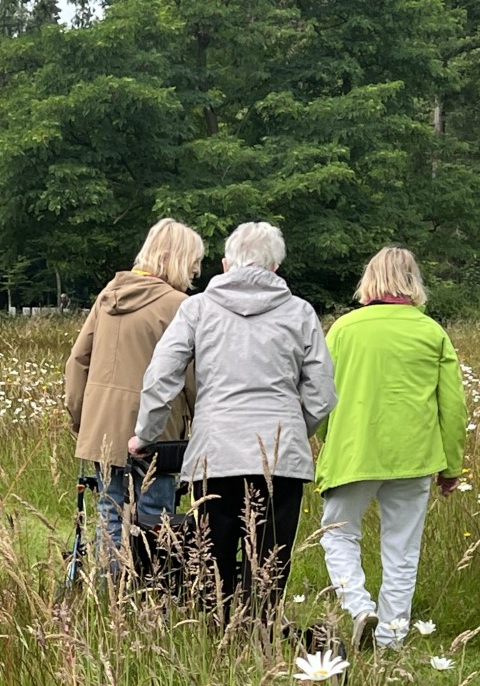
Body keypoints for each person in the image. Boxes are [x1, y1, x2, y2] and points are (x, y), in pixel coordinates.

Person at [131, 221, 336, 622]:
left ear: (225, 264)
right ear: (275, 268)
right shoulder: (300, 312)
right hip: (280, 459)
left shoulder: (197, 309)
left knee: (215, 565)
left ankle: (220, 645)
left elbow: (161, 376)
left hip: (215, 456)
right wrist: (295, 431)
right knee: (269, 566)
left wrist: (145, 434)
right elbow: (322, 395)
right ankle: (260, 641)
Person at [314, 247, 466, 649]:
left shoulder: (344, 329)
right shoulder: (431, 332)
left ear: (370, 279)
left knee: (337, 534)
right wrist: (451, 466)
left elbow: (323, 394)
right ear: (413, 281)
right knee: (402, 548)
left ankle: (358, 607)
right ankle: (392, 637)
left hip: (354, 450)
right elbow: (452, 406)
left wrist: (329, 437)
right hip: (414, 456)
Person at [64, 218, 203, 562]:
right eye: (195, 261)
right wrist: (202, 425)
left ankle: (107, 597)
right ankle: (147, 600)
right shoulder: (180, 305)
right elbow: (192, 377)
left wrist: (81, 419)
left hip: (102, 429)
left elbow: (78, 360)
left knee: (109, 514)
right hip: (159, 433)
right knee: (156, 519)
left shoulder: (108, 296)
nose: (198, 271)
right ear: (179, 259)